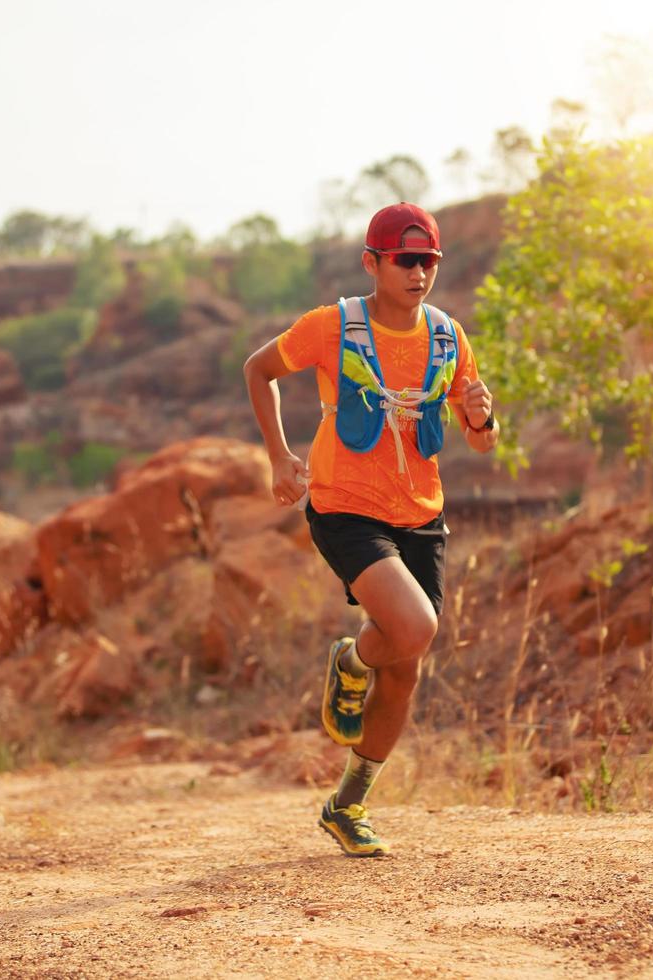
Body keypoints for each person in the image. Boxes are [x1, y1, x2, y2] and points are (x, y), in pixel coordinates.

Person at [243, 202, 499, 857]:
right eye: (405, 260)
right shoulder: (335, 326)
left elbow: (482, 442)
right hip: (344, 507)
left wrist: (481, 417)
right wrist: (278, 455)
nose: (419, 273)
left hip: (422, 515)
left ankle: (347, 805)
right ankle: (352, 659)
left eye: (428, 262)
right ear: (373, 263)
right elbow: (259, 369)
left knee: (407, 670)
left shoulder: (448, 336)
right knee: (413, 629)